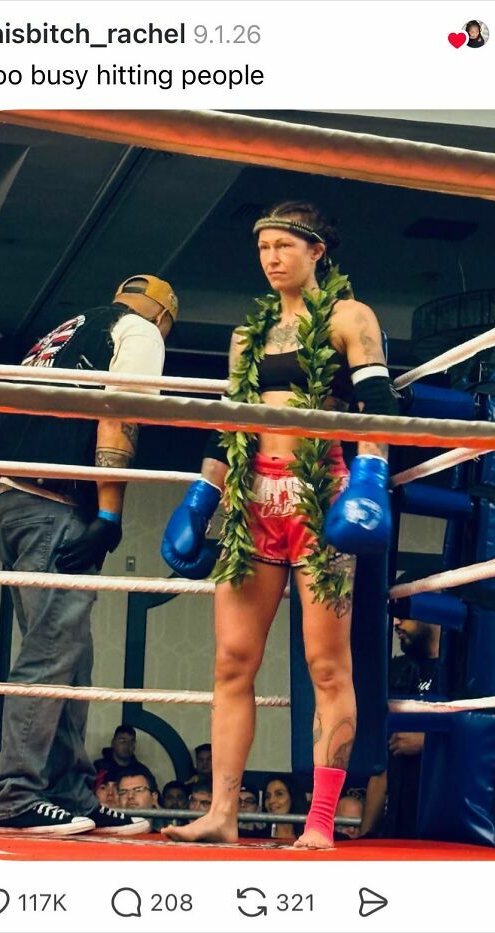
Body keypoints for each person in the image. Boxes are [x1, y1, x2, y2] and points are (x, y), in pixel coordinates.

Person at [161, 201, 397, 848]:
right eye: (263, 245)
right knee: (232, 659)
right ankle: (222, 812)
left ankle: (319, 822)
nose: (271, 256)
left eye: (284, 244)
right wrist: (201, 499)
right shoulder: (248, 333)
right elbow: (227, 423)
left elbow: (379, 407)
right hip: (252, 501)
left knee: (327, 665)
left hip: (322, 499)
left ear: (318, 250)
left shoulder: (352, 318)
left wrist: (371, 481)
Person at [0, 275, 178, 836]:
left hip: (10, 498)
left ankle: (69, 791)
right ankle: (13, 795)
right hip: (53, 498)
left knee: (70, 654)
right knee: (50, 652)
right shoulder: (138, 330)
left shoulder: (66, 328)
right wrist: (110, 514)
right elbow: (121, 416)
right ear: (163, 316)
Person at [362, 614, 495, 841]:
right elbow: (382, 768)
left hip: (467, 834)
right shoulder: (398, 671)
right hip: (401, 834)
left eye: (404, 612)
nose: (395, 622)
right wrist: (365, 836)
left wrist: (429, 743)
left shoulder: (486, 670)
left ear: (431, 608)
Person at [263, 774, 308, 841]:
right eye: (267, 796)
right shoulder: (256, 837)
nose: (271, 801)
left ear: (293, 798)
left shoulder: (308, 837)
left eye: (279, 794)